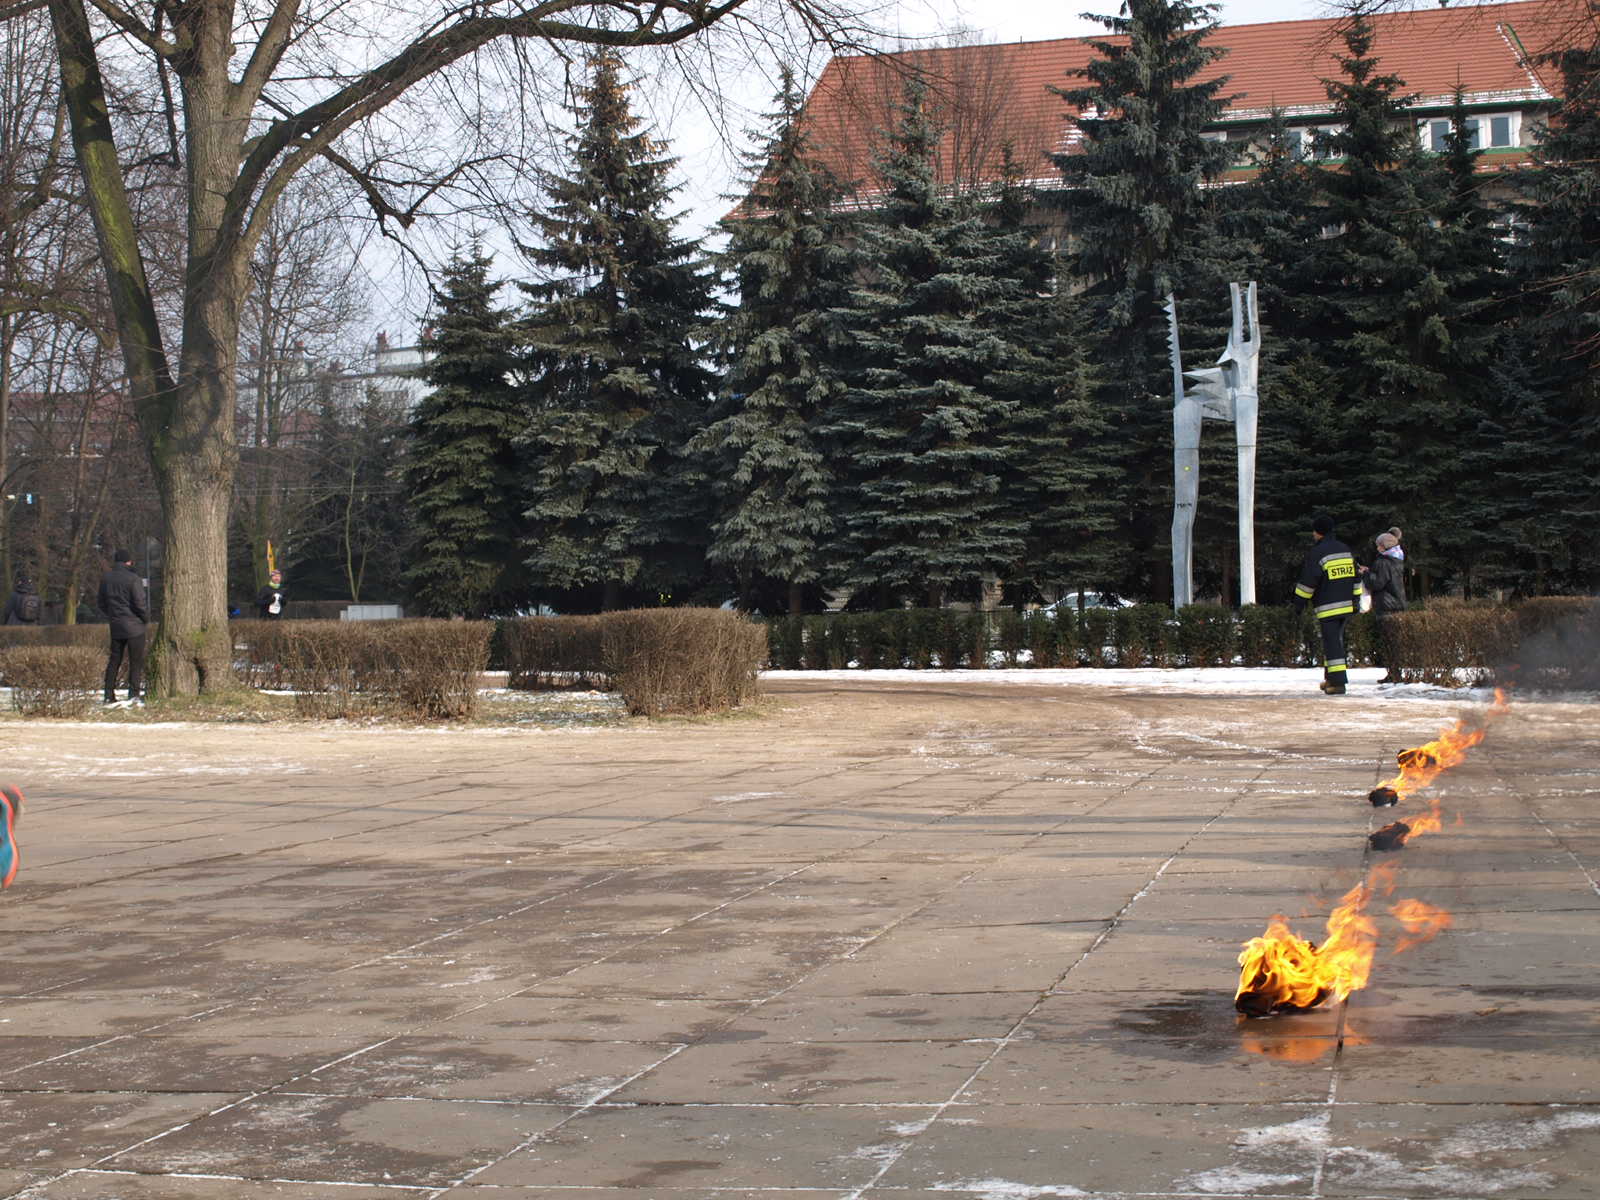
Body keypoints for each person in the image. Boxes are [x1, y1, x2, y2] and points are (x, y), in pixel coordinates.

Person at [1291, 513, 1362, 695]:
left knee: (1332, 644)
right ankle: (1331, 678)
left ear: (1318, 532)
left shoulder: (1318, 553)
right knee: (1335, 642)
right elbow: (1356, 577)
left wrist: (1298, 604)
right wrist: (1356, 600)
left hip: (1328, 607)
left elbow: (1308, 582)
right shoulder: (1344, 549)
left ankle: (1337, 683)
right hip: (1347, 605)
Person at [97, 548, 148, 706]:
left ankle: (108, 694)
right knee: (135, 662)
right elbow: (139, 603)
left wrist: (112, 615)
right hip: (134, 626)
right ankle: (133, 694)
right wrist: (144, 618)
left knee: (114, 660)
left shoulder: (106, 578)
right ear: (129, 562)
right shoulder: (134, 579)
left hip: (116, 625)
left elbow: (101, 603)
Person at [1366, 530, 1408, 683]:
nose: (1377, 548)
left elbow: (1377, 583)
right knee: (1395, 642)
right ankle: (1395, 673)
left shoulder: (1383, 562)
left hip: (1386, 605)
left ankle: (1393, 674)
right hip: (1398, 604)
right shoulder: (1397, 559)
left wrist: (1365, 574)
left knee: (1389, 642)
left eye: (1379, 545)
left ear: (1385, 546)